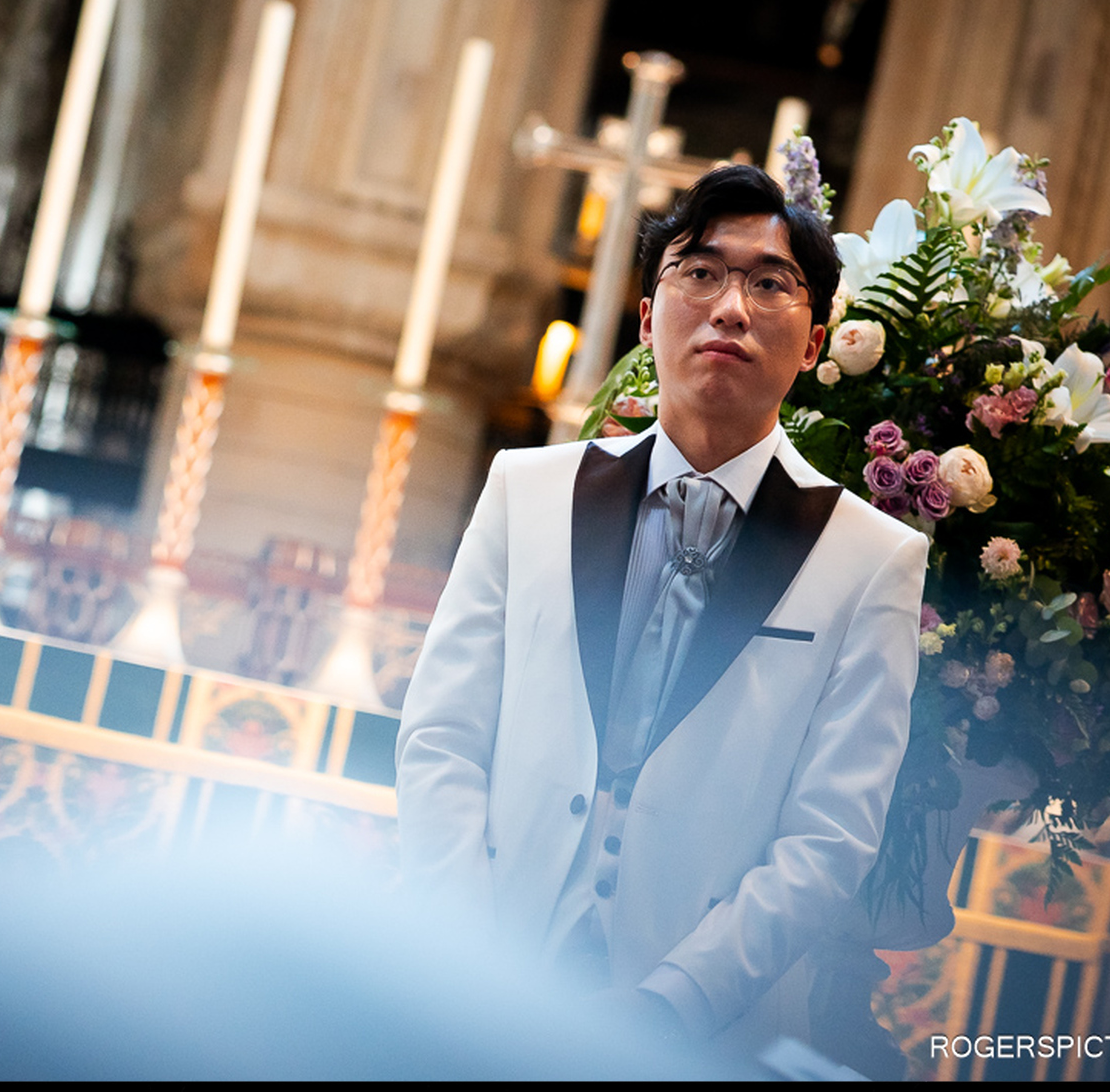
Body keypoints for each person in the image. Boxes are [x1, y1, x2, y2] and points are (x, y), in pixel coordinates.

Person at [396, 164, 928, 1056]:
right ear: (647, 320)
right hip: (479, 989)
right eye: (701, 272)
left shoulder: (872, 559)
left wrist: (673, 1003)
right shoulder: (527, 491)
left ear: (813, 343)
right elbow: (441, 736)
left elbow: (829, 838)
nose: (730, 308)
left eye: (771, 284)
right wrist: (464, 949)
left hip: (698, 1029)